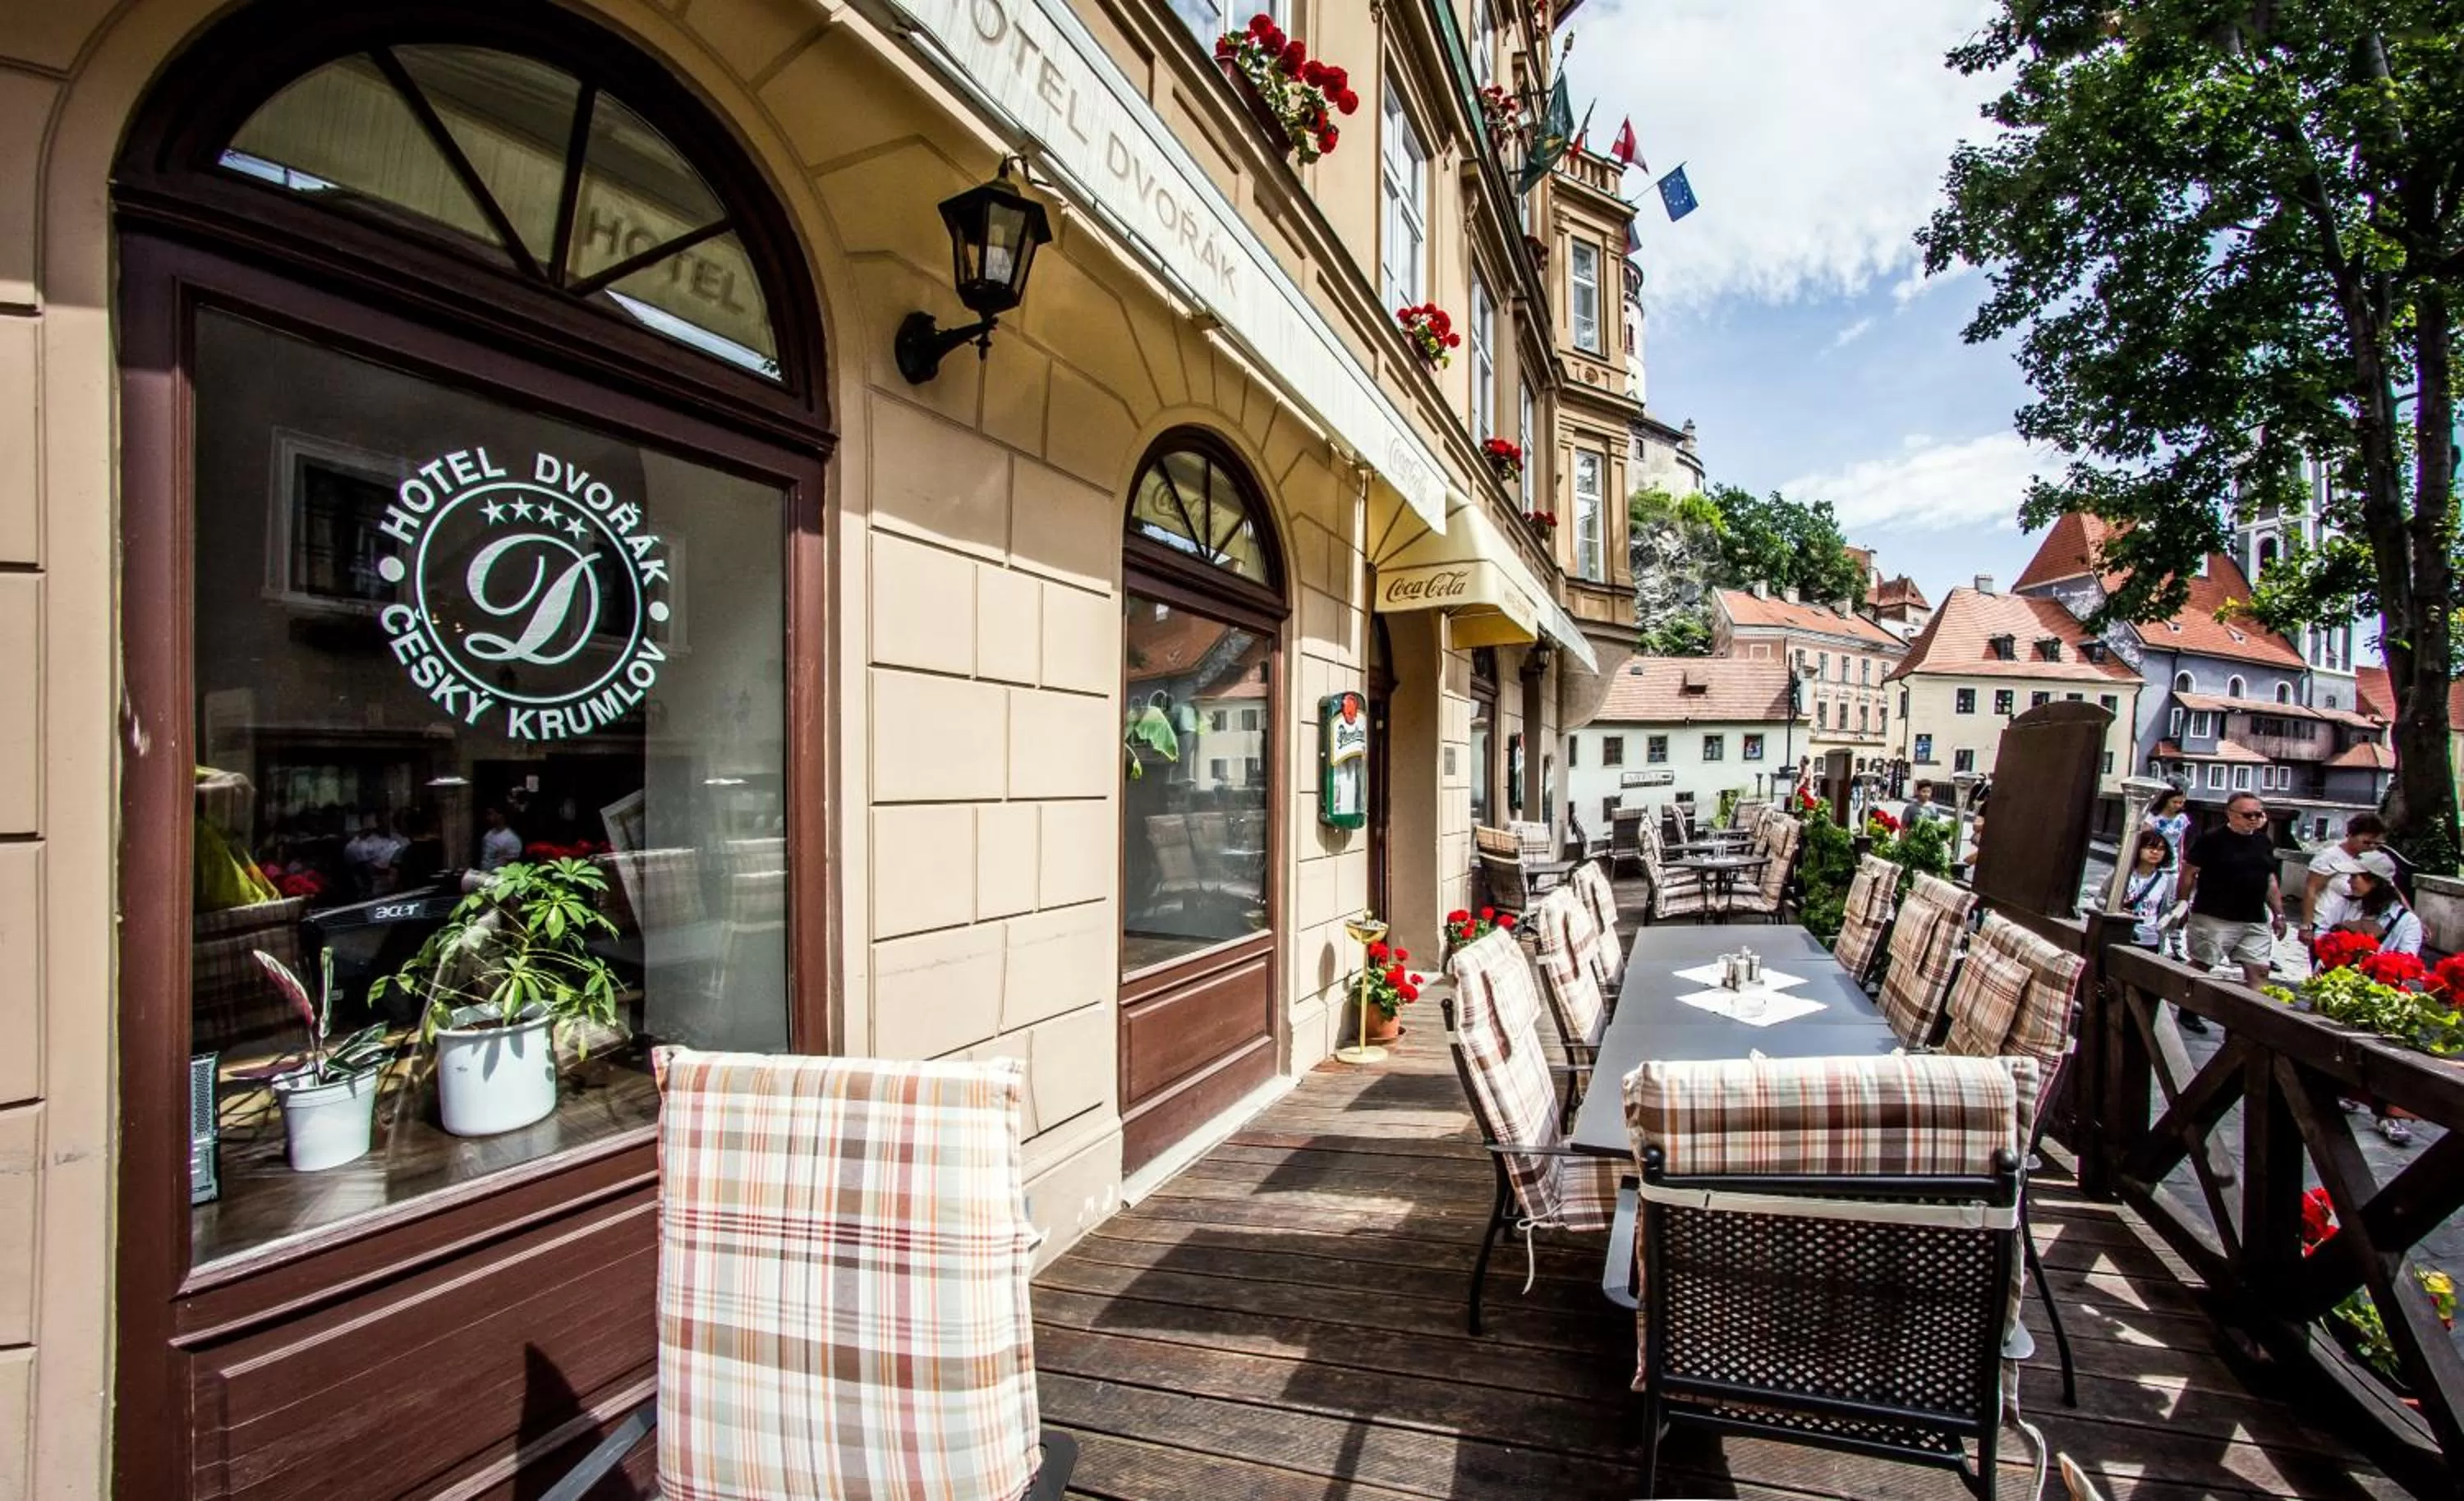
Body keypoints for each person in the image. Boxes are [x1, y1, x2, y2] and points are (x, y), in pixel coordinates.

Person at [2336, 851, 2421, 1145]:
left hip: (2384, 995)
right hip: (2347, 990)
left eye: (2356, 877)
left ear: (2374, 882)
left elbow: (2408, 962)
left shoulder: (2405, 920)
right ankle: (2347, 1093)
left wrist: (2372, 956)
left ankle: (2389, 1115)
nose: (2350, 882)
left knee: (2384, 1056)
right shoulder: (2349, 909)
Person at [2178, 791, 2287, 995]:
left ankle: (2252, 1020)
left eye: (2258, 814)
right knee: (2203, 965)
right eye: (2248, 815)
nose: (2254, 819)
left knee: (2260, 969)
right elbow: (2188, 874)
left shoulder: (2263, 842)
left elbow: (2270, 880)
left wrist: (2279, 914)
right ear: (2231, 814)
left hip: (2254, 917)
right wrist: (2182, 904)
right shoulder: (2211, 840)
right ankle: (2188, 1006)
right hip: (2214, 915)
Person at [2301, 813, 2387, 943]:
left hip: (2357, 926)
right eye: (2367, 842)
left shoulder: (2374, 859)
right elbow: (2311, 889)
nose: (2372, 847)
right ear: (2351, 835)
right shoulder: (2330, 856)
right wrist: (2307, 925)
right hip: (2326, 923)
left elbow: (2390, 887)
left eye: (2377, 844)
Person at [2120, 829, 2178, 949]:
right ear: (2138, 849)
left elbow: (2168, 909)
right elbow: (2100, 899)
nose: (2155, 852)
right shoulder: (2122, 873)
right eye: (2149, 847)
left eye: (2161, 849)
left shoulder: (2168, 880)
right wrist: (2118, 909)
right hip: (2121, 932)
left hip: (2150, 938)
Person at [2143, 786, 2192, 869]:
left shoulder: (2182, 818)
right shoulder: (2153, 817)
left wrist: (2180, 863)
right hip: (2154, 856)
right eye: (2174, 802)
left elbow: (2181, 844)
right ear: (2166, 800)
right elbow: (2144, 841)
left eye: (2181, 803)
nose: (2178, 805)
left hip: (2173, 858)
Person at [478, 805, 522, 871]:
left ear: (500, 815)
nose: (488, 817)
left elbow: (513, 865)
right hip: (484, 875)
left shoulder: (511, 839)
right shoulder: (488, 834)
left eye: (490, 814)